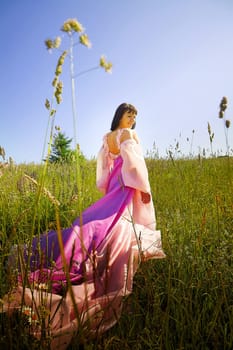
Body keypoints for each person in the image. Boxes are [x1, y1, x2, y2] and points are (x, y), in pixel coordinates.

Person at [2, 103, 165, 349]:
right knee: (116, 227)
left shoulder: (107, 138)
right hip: (125, 189)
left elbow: (104, 171)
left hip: (114, 185)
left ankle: (45, 253)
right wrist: (143, 188)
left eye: (134, 116)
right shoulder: (128, 135)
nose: (131, 120)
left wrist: (113, 183)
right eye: (129, 114)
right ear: (120, 115)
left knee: (89, 226)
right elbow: (134, 164)